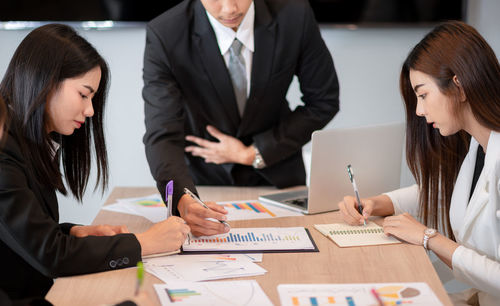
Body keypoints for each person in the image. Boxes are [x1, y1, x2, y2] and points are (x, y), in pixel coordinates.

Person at [0, 24, 190, 300]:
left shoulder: (24, 139)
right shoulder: (4, 151)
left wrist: (73, 232)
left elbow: (23, 235)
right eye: (84, 94)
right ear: (47, 80)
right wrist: (144, 243)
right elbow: (50, 256)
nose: (89, 110)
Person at [142, 0, 340, 236]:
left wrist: (254, 153)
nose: (229, 9)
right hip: (203, 182)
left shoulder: (295, 16)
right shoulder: (165, 33)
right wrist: (183, 199)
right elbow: (162, 133)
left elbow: (323, 101)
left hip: (279, 180)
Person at [338, 21, 500, 305]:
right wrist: (378, 202)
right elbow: (447, 191)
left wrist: (429, 238)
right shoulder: (478, 144)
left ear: (459, 86)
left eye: (423, 95)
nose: (419, 110)